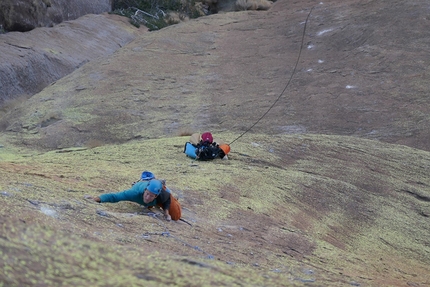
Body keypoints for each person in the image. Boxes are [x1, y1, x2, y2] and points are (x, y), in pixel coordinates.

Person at [93, 179, 181, 221]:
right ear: (144, 191)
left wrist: (166, 213)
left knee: (176, 216)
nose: (147, 197)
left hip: (160, 193)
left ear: (156, 195)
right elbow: (115, 196)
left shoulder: (162, 194)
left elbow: (167, 200)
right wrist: (99, 199)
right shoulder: (134, 193)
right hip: (142, 185)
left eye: (151, 196)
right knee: (149, 205)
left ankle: (159, 183)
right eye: (147, 194)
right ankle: (145, 179)